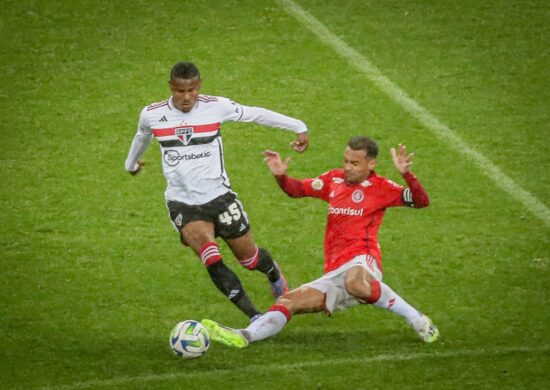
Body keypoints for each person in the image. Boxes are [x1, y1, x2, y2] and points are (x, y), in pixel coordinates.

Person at [202, 136, 439, 346]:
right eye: (346, 161)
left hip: (363, 261)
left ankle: (416, 319)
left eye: (354, 163)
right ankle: (244, 336)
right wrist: (281, 176)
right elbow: (297, 189)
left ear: (371, 164)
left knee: (355, 282)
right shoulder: (333, 180)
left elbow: (421, 201)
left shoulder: (382, 187)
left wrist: (407, 174)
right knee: (287, 301)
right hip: (335, 272)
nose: (347, 168)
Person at [125, 61, 309, 321]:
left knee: (250, 259)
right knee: (211, 257)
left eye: (192, 91)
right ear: (171, 87)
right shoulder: (152, 114)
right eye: (180, 91)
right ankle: (256, 317)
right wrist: (131, 163)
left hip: (220, 198)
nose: (186, 98)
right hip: (183, 204)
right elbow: (142, 136)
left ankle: (274, 273)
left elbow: (254, 113)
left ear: (198, 87)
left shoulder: (215, 107)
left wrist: (297, 125)